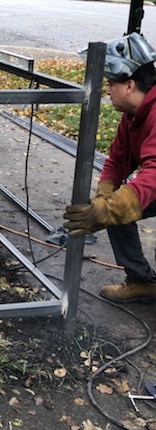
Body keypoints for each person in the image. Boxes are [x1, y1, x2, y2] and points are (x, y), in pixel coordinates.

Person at [63, 32, 156, 303]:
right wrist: (105, 199)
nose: (107, 90)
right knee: (116, 206)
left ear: (129, 85)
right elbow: (117, 160)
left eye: (110, 83)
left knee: (118, 206)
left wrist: (109, 208)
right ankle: (142, 281)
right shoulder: (133, 115)